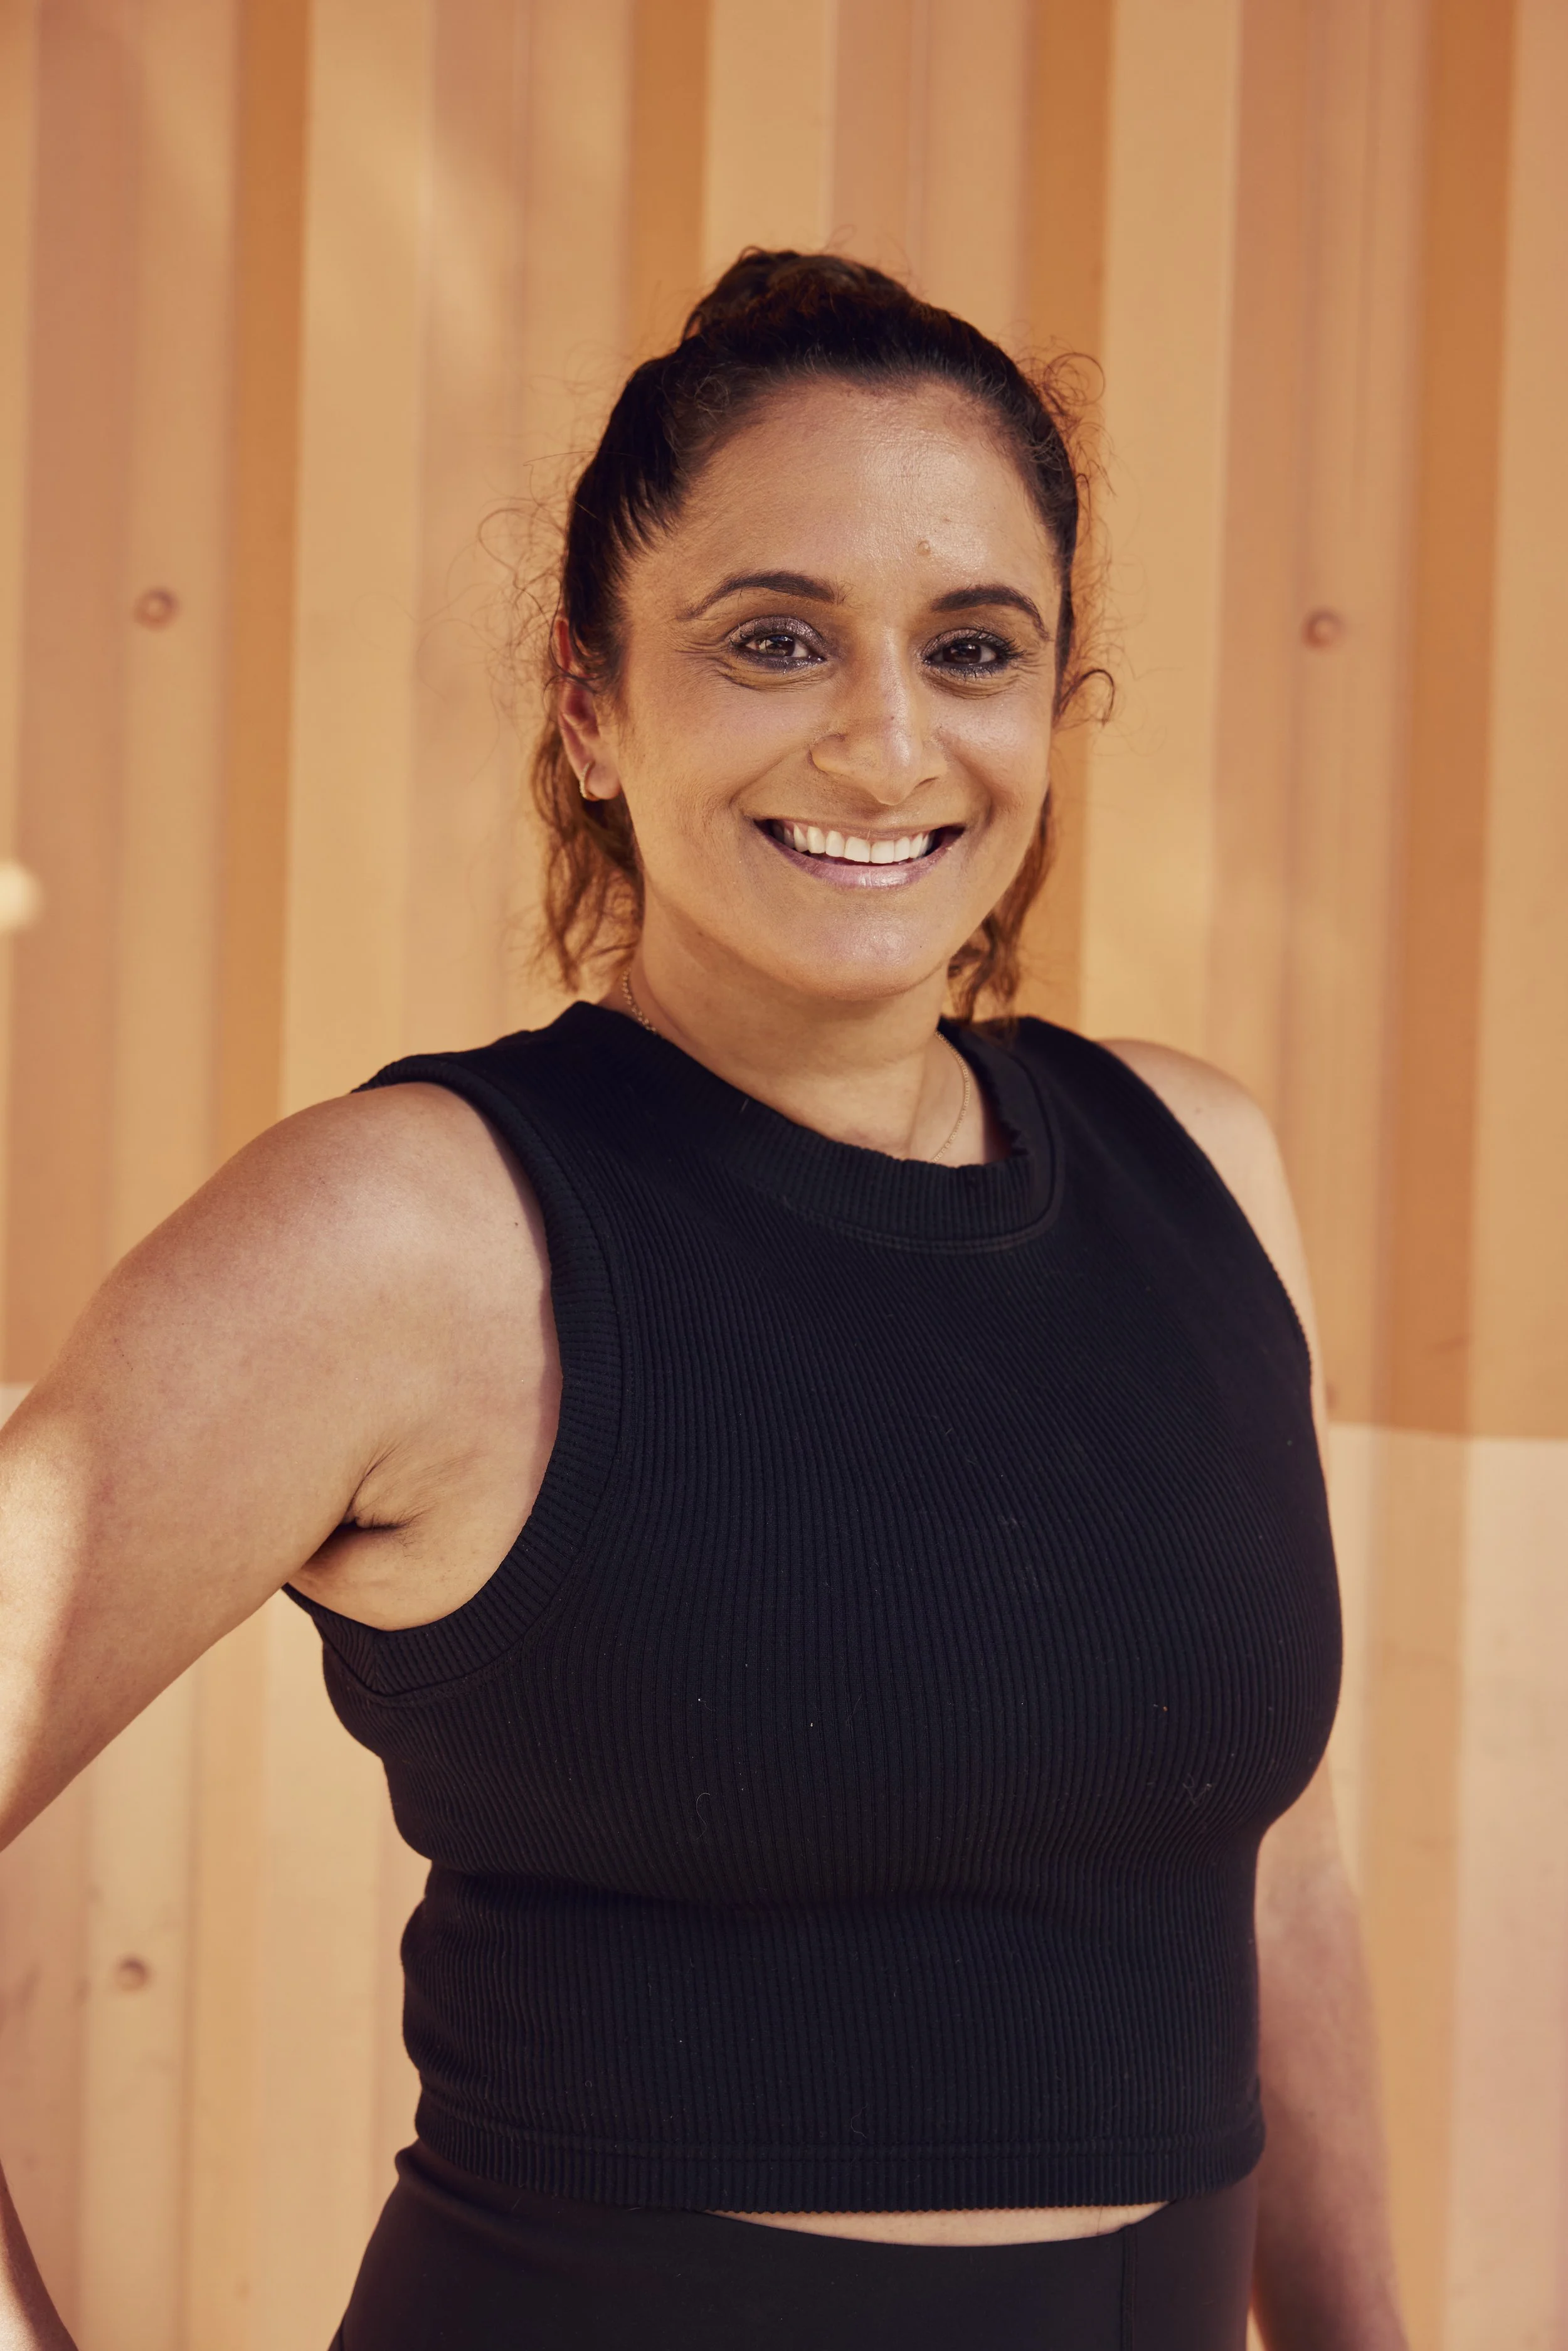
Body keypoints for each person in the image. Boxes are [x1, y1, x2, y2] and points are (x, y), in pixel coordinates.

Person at [0, 252, 1406, 2350]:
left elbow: (1278, 1878)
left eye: (972, 647)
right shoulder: (407, 1230)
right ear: (589, 706)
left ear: (1048, 703)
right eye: (773, 640)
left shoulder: (1202, 1167)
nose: (886, 741)